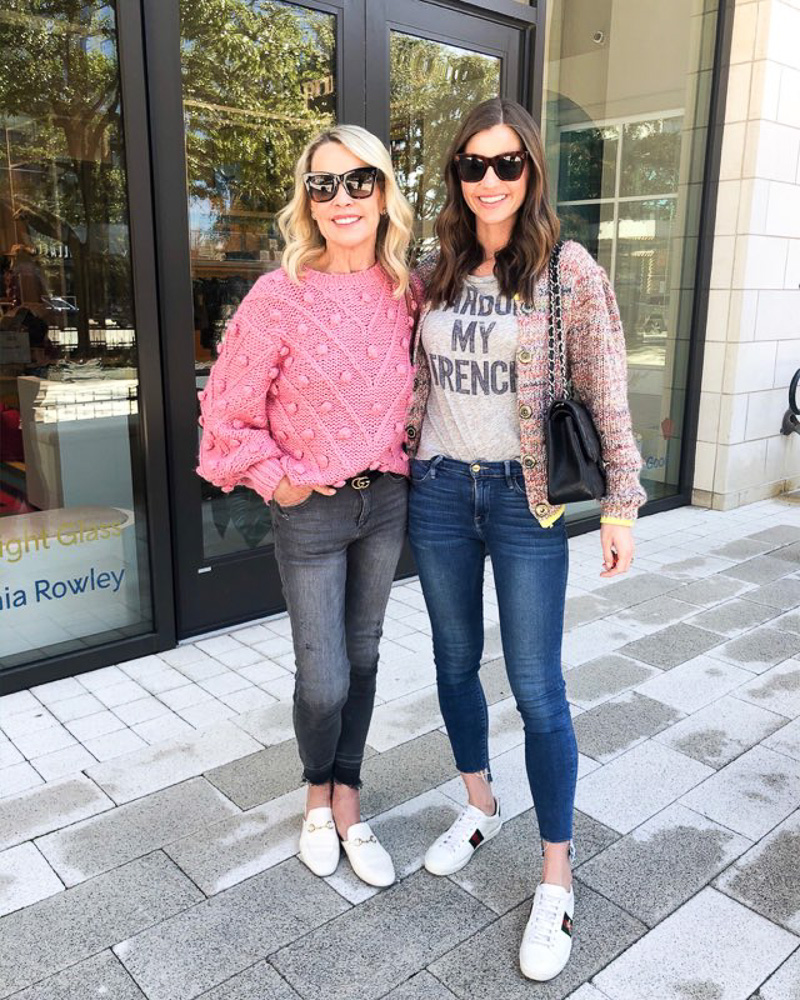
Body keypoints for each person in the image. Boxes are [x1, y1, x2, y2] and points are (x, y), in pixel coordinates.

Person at [405, 97, 646, 981]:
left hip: (525, 498)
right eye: (474, 164)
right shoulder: (435, 269)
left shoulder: (566, 270)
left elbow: (605, 388)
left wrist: (622, 502)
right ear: (457, 176)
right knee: (453, 660)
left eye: (508, 164)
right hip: (437, 489)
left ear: (531, 171)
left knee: (538, 685)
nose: (491, 179)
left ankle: (556, 875)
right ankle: (478, 803)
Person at [197, 125, 415, 888]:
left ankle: (348, 797)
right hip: (311, 516)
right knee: (323, 677)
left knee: (364, 657)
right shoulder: (278, 297)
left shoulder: (406, 291)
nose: (342, 198)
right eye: (323, 184)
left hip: (385, 503)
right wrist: (280, 480)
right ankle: (315, 795)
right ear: (307, 200)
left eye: (359, 180)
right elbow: (226, 415)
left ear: (384, 192)